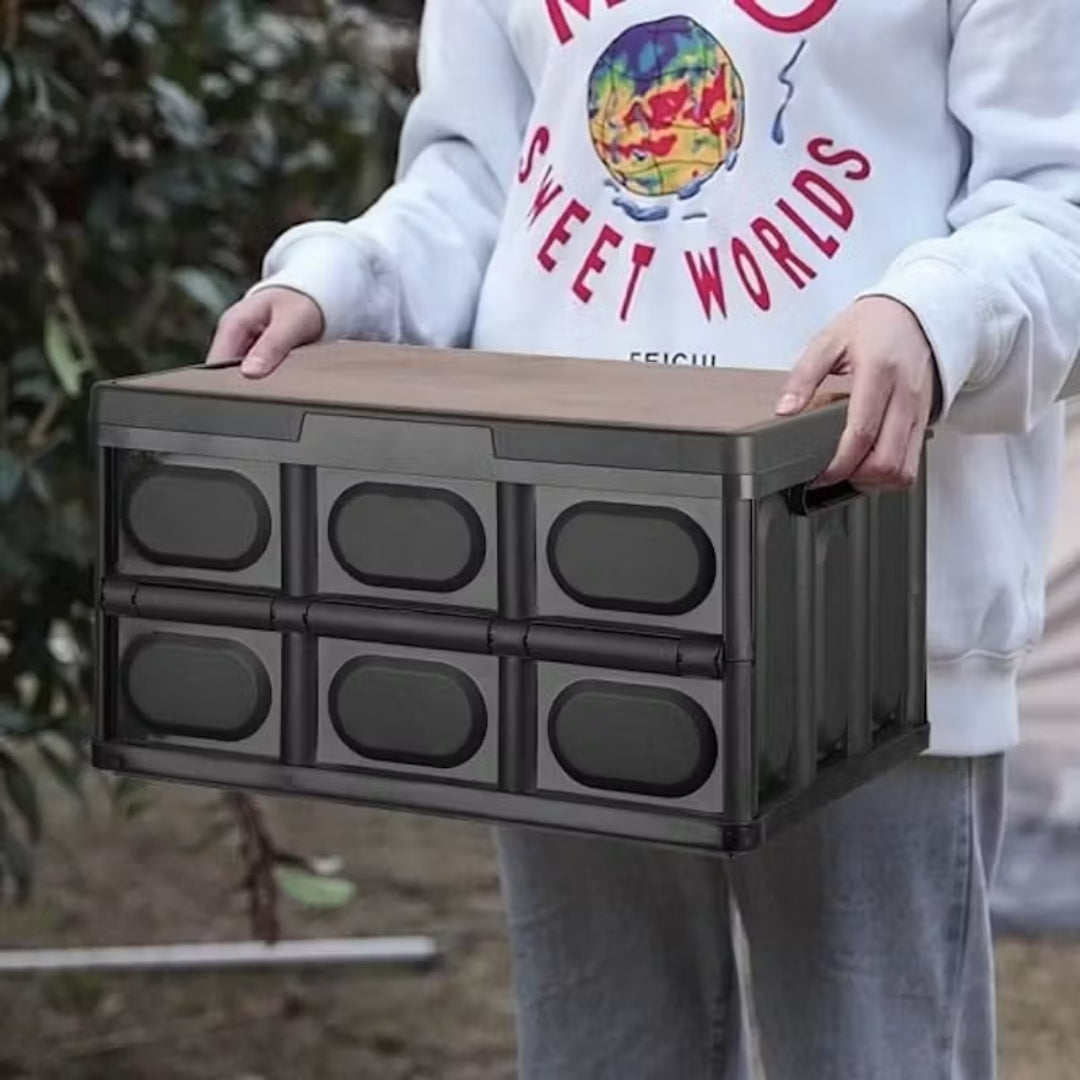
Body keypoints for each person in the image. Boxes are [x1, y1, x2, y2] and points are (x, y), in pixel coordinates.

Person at [207, 1, 1080, 1076]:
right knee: (600, 1050)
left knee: (879, 1052)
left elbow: (1057, 196)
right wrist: (341, 284)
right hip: (568, 589)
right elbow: (481, 182)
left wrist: (935, 316)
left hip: (873, 604)